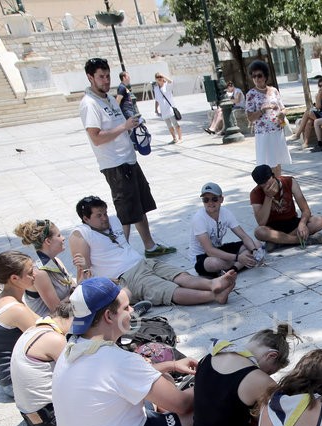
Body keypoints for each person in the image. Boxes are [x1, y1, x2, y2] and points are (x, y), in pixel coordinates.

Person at [53, 277, 196, 426]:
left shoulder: (73, 346)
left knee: (162, 378)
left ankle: (163, 418)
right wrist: (210, 378)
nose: (132, 312)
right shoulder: (118, 360)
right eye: (127, 308)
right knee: (199, 409)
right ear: (109, 316)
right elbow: (182, 404)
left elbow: (122, 377)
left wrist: (171, 365)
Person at [80, 58, 174, 257]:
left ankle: (150, 246)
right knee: (127, 210)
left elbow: (119, 126)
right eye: (101, 77)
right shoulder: (89, 104)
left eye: (108, 76)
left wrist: (133, 127)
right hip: (115, 164)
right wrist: (124, 126)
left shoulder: (110, 98)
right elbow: (96, 138)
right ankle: (122, 251)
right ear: (90, 78)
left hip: (128, 159)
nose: (106, 81)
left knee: (139, 204)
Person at [69, 195, 237, 306]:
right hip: (126, 275)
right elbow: (84, 277)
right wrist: (86, 270)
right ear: (85, 218)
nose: (104, 218)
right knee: (167, 289)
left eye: (105, 213)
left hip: (142, 262)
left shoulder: (113, 220)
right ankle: (214, 296)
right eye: (99, 215)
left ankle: (213, 284)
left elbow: (122, 245)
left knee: (179, 275)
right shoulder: (81, 234)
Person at [10, 303, 72, 426]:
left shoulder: (34, 330)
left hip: (33, 419)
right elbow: (81, 377)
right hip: (51, 422)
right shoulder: (55, 339)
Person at [0, 251, 40, 396]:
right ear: (14, 278)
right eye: (30, 272)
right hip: (14, 383)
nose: (35, 274)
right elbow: (46, 334)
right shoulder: (15, 309)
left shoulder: (5, 298)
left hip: (4, 375)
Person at [190, 182, 261, 277]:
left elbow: (243, 236)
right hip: (202, 257)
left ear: (221, 199)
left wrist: (254, 251)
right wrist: (238, 258)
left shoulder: (226, 213)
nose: (210, 203)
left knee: (256, 244)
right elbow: (209, 251)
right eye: (206, 200)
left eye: (214, 199)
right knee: (214, 263)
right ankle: (242, 263)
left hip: (218, 249)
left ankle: (232, 270)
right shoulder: (199, 218)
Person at [249, 164, 322, 248]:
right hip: (273, 228)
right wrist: (268, 197)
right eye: (262, 184)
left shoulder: (289, 181)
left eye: (268, 180)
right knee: (259, 232)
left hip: (292, 223)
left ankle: (279, 242)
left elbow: (305, 210)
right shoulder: (255, 193)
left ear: (273, 176)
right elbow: (261, 222)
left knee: (319, 221)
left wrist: (302, 224)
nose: (266, 185)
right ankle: (298, 240)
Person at [14, 219, 75, 316]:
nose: (63, 238)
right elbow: (57, 310)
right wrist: (75, 293)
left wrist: (81, 270)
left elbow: (73, 287)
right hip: (53, 324)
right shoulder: (39, 273)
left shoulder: (57, 261)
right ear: (48, 241)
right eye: (59, 235)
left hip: (69, 314)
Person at [245, 60, 291, 172]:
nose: (256, 79)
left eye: (259, 75)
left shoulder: (274, 91)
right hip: (263, 133)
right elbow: (250, 117)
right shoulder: (251, 94)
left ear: (265, 76)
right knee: (268, 164)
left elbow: (283, 108)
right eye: (253, 76)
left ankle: (279, 183)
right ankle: (272, 185)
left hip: (277, 131)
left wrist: (282, 114)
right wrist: (262, 110)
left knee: (278, 161)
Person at [290, 77, 322, 146]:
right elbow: (318, 107)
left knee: (308, 112)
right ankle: (306, 143)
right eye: (320, 86)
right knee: (309, 121)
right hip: (321, 115)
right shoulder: (318, 95)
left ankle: (298, 134)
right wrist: (318, 97)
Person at [152, 73, 182, 145]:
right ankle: (174, 138)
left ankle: (180, 138)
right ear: (155, 79)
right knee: (169, 126)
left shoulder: (167, 86)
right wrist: (156, 109)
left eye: (160, 77)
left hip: (170, 109)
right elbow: (157, 100)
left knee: (175, 124)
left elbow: (171, 81)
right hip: (163, 110)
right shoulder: (156, 88)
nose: (159, 78)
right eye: (157, 77)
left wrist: (163, 75)